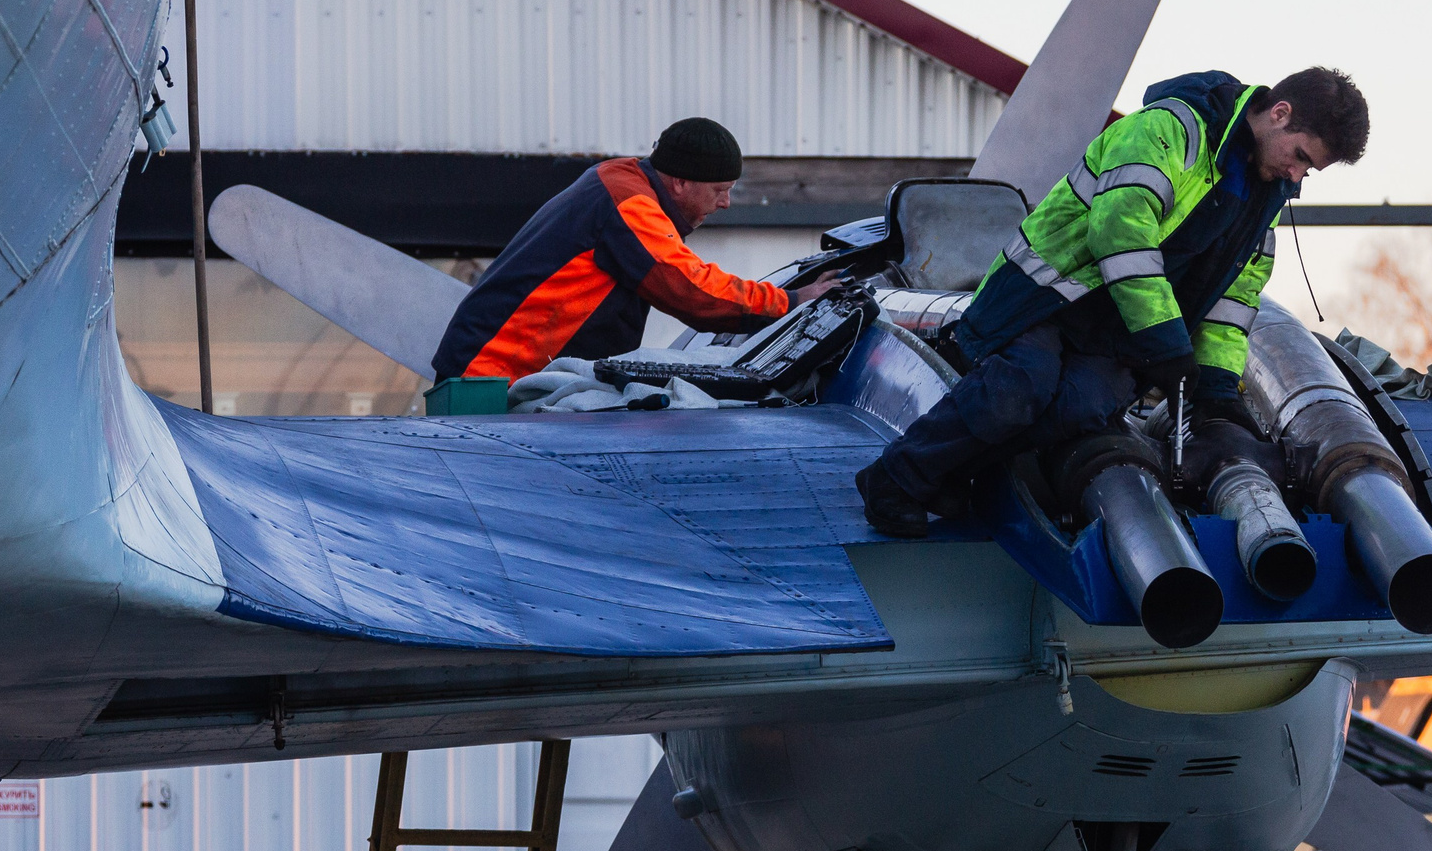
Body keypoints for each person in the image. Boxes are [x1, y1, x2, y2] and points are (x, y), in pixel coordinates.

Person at [854, 67, 1371, 537]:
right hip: (1046, 298)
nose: (1298, 176)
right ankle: (894, 478)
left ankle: (953, 472)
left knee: (1080, 410)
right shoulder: (1170, 131)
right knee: (1016, 390)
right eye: (1301, 156)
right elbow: (1120, 234)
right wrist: (1166, 344)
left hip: (1116, 330)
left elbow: (1231, 305)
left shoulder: (1263, 205)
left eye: (1311, 171)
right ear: (1280, 114)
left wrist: (1215, 390)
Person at [430, 116, 833, 383]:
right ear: (679, 183)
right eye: (720, 191)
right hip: (492, 381)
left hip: (490, 370)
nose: (725, 203)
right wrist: (792, 301)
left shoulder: (617, 177)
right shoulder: (629, 205)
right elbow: (691, 290)